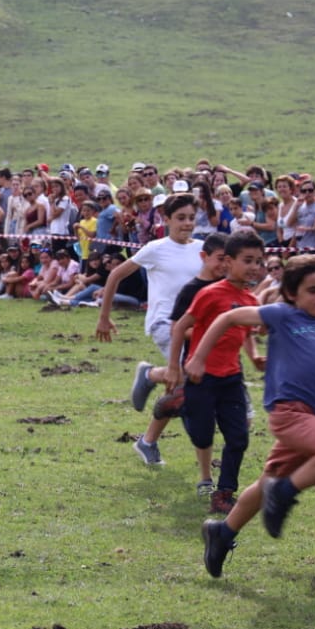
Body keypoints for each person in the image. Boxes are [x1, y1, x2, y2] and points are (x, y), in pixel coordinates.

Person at [192, 255, 315, 578]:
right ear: (292, 294)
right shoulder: (283, 315)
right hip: (288, 413)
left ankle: (222, 533)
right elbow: (229, 318)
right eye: (313, 290)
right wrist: (198, 358)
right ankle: (285, 491)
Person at [95, 193, 202, 466]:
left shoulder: (202, 249)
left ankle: (150, 383)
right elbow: (116, 275)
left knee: (184, 381)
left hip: (194, 326)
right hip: (163, 322)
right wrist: (104, 317)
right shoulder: (156, 248)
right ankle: (152, 384)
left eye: (191, 217)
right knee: (181, 379)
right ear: (166, 219)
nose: (187, 223)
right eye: (180, 218)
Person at [165, 232, 265, 514]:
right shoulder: (209, 294)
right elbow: (180, 326)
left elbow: (246, 332)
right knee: (202, 435)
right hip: (201, 377)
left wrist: (254, 355)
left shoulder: (251, 299)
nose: (254, 267)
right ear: (229, 262)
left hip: (231, 378)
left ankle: (223, 493)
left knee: (238, 438)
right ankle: (183, 403)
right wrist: (174, 366)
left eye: (259, 261)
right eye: (248, 260)